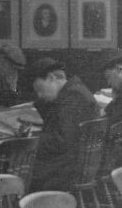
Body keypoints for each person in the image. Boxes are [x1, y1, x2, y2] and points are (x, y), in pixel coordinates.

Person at [27, 57, 98, 193]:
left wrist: (30, 142)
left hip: (65, 170)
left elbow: (61, 141)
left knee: (18, 169)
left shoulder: (73, 97)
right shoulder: (73, 92)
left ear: (52, 78)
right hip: (73, 163)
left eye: (40, 89)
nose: (39, 95)